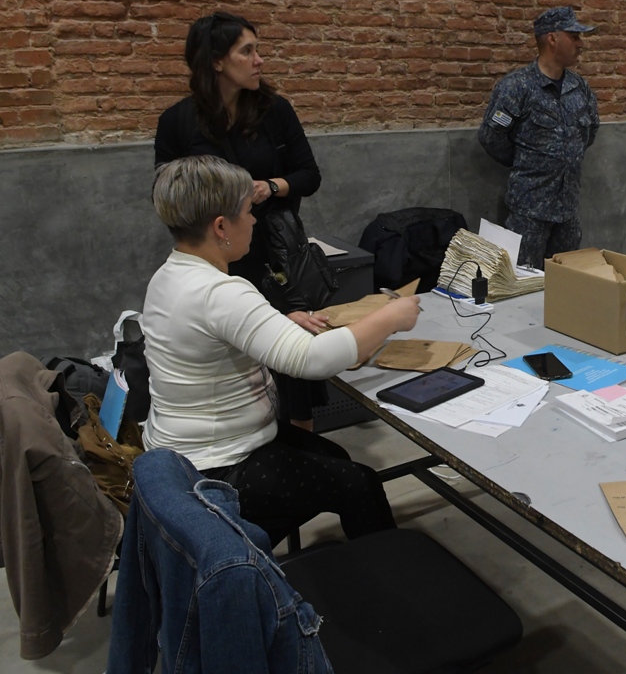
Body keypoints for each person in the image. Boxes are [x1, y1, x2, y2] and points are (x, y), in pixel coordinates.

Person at [142, 156, 422, 545]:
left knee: (335, 459)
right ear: (221, 227)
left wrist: (278, 325)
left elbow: (215, 334)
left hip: (180, 453)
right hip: (217, 465)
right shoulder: (220, 292)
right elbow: (313, 359)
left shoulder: (169, 275)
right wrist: (391, 317)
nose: (254, 221)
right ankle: (386, 573)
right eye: (247, 212)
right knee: (360, 483)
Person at [155, 11, 327, 429]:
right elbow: (167, 191)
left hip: (274, 253)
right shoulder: (178, 121)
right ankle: (248, 438)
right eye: (247, 51)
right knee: (238, 358)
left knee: (292, 358)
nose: (259, 60)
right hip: (217, 258)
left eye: (257, 50)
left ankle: (302, 447)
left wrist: (271, 186)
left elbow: (309, 175)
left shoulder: (275, 111)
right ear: (216, 61)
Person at [479, 6, 600, 268]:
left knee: (566, 282)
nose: (580, 44)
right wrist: (526, 163)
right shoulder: (517, 87)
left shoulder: (579, 88)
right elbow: (491, 137)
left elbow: (589, 133)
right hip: (529, 212)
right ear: (552, 39)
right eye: (574, 36)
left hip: (567, 212)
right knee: (524, 282)